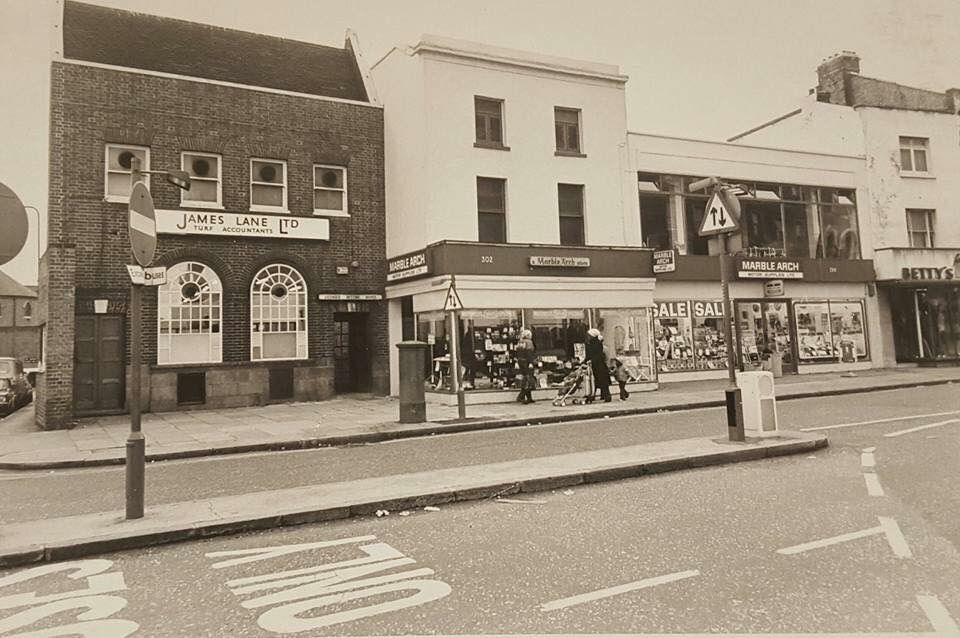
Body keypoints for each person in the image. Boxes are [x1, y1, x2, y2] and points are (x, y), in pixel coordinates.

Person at [586, 328, 612, 402]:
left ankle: (605, 396)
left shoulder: (595, 344)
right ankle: (603, 395)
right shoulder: (595, 343)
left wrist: (589, 360)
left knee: (600, 381)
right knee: (600, 381)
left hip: (598, 365)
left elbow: (596, 355)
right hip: (598, 365)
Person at [514, 328, 537, 404]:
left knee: (525, 378)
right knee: (529, 379)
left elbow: (517, 352)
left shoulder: (520, 342)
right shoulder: (529, 342)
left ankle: (529, 397)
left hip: (521, 362)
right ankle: (521, 396)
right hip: (527, 362)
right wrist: (531, 362)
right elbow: (529, 353)